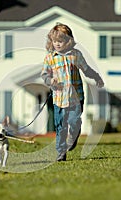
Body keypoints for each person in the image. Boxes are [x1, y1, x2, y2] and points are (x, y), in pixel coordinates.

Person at [41, 23, 104, 161]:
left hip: (76, 96)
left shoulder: (75, 55)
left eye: (60, 41)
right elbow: (45, 74)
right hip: (59, 98)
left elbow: (86, 69)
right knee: (60, 126)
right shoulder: (50, 58)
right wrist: (50, 81)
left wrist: (97, 77)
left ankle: (74, 135)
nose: (57, 44)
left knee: (74, 121)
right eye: (55, 41)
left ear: (68, 41)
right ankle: (61, 153)